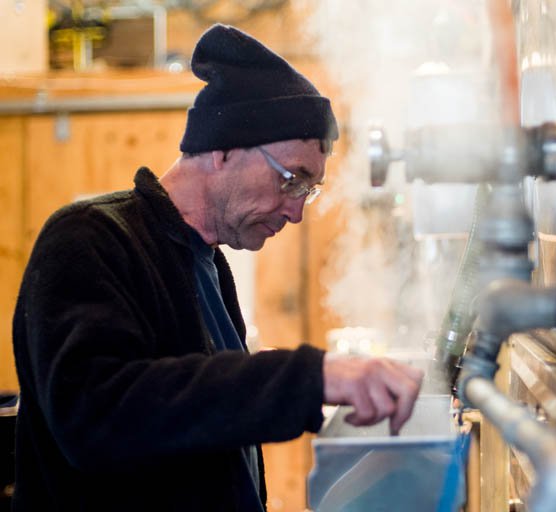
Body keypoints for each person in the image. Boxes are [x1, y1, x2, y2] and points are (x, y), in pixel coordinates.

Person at [11, 24, 423, 511]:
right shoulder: (90, 238)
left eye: (309, 191)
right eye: (292, 180)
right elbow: (96, 416)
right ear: (223, 149)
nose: (296, 211)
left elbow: (202, 426)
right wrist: (312, 377)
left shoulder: (206, 264)